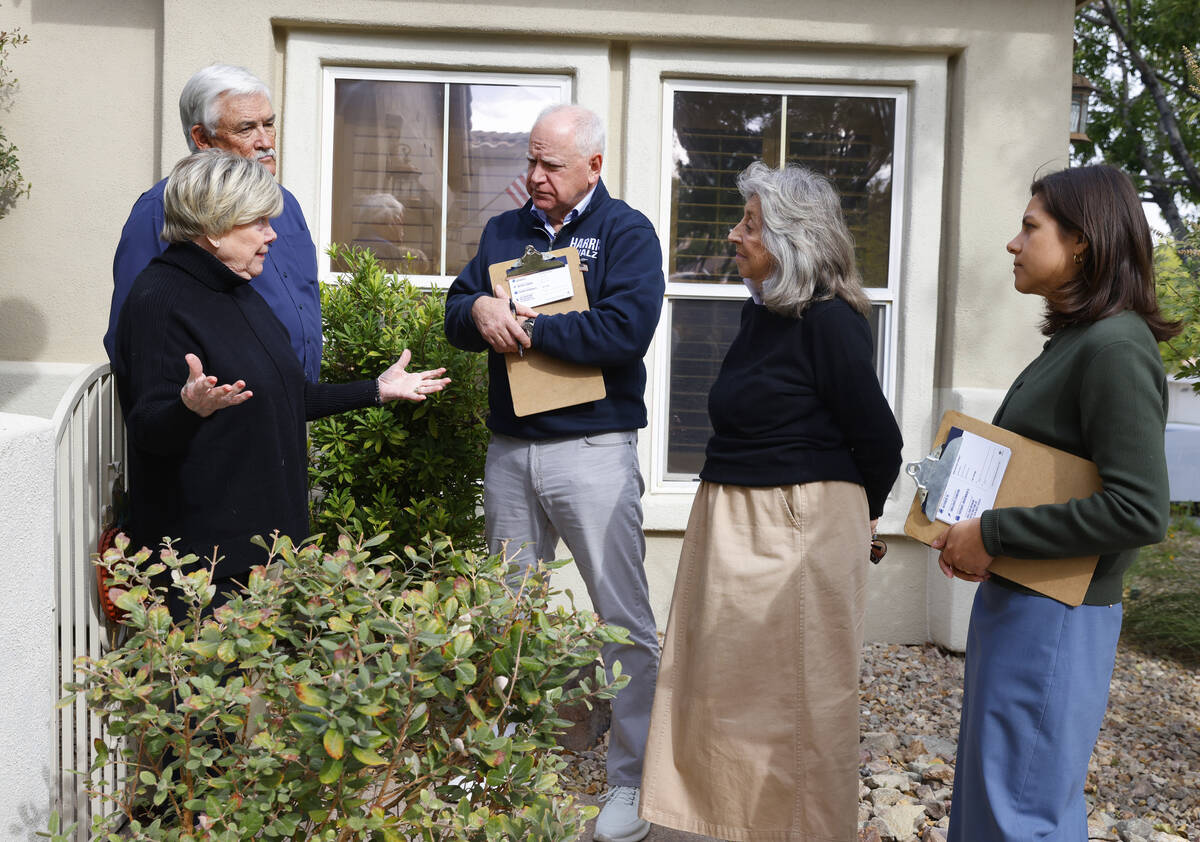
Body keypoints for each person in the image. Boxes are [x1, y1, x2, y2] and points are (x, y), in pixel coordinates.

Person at [639, 161, 903, 842]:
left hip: (792, 527)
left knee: (801, 702)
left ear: (791, 238)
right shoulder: (764, 317)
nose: (734, 235)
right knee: (722, 692)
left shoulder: (830, 323)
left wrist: (845, 520)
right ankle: (736, 822)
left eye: (749, 224)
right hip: (733, 520)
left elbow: (879, 440)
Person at [932, 165, 1176, 841]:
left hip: (1057, 618)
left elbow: (1138, 510)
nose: (1013, 243)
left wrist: (997, 533)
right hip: (1026, 602)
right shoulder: (1076, 341)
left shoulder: (1115, 349)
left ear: (1082, 244)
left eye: (1030, 227)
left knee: (1021, 815)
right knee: (995, 803)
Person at [443, 103, 664, 842]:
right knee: (502, 617)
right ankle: (494, 765)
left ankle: (630, 783)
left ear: (593, 167)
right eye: (530, 161)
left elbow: (626, 331)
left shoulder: (626, 233)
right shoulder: (505, 230)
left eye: (551, 165)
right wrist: (477, 309)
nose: (534, 177)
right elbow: (453, 308)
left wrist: (528, 327)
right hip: (510, 452)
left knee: (623, 621)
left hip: (594, 449)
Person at [113, 150, 449, 621]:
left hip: (270, 549)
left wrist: (375, 389)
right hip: (210, 566)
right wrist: (189, 407)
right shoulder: (159, 299)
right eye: (258, 222)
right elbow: (148, 425)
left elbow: (285, 396)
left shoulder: (238, 290)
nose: (272, 234)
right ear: (214, 226)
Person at [106, 64, 323, 382]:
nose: (265, 141)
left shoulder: (286, 203)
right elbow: (133, 334)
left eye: (269, 124)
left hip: (291, 411)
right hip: (220, 417)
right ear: (202, 138)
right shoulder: (162, 208)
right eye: (247, 128)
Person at [350, 192, 433, 274]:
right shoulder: (389, 252)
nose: (401, 225)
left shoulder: (352, 248)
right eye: (400, 219)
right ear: (391, 221)